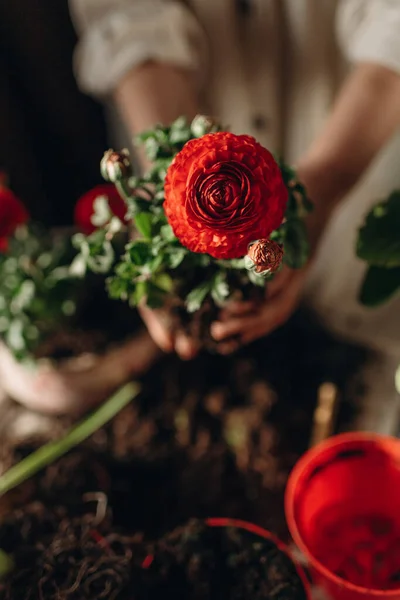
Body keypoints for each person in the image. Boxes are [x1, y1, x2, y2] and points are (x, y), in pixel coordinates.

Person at [69, 0, 400, 432]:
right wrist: (171, 184)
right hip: (172, 101)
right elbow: (128, 13)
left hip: (362, 121)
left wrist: (324, 182)